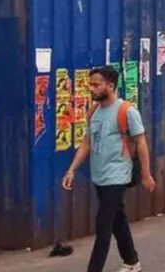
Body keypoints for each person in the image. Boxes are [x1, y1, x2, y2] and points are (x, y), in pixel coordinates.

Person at [62, 67, 156, 272]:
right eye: (91, 84)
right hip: (100, 175)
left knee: (103, 224)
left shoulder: (127, 111)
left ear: (110, 86)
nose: (91, 88)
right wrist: (72, 169)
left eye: (96, 84)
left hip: (118, 174)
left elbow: (141, 143)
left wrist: (146, 174)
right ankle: (132, 261)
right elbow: (87, 142)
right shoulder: (93, 111)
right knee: (117, 219)